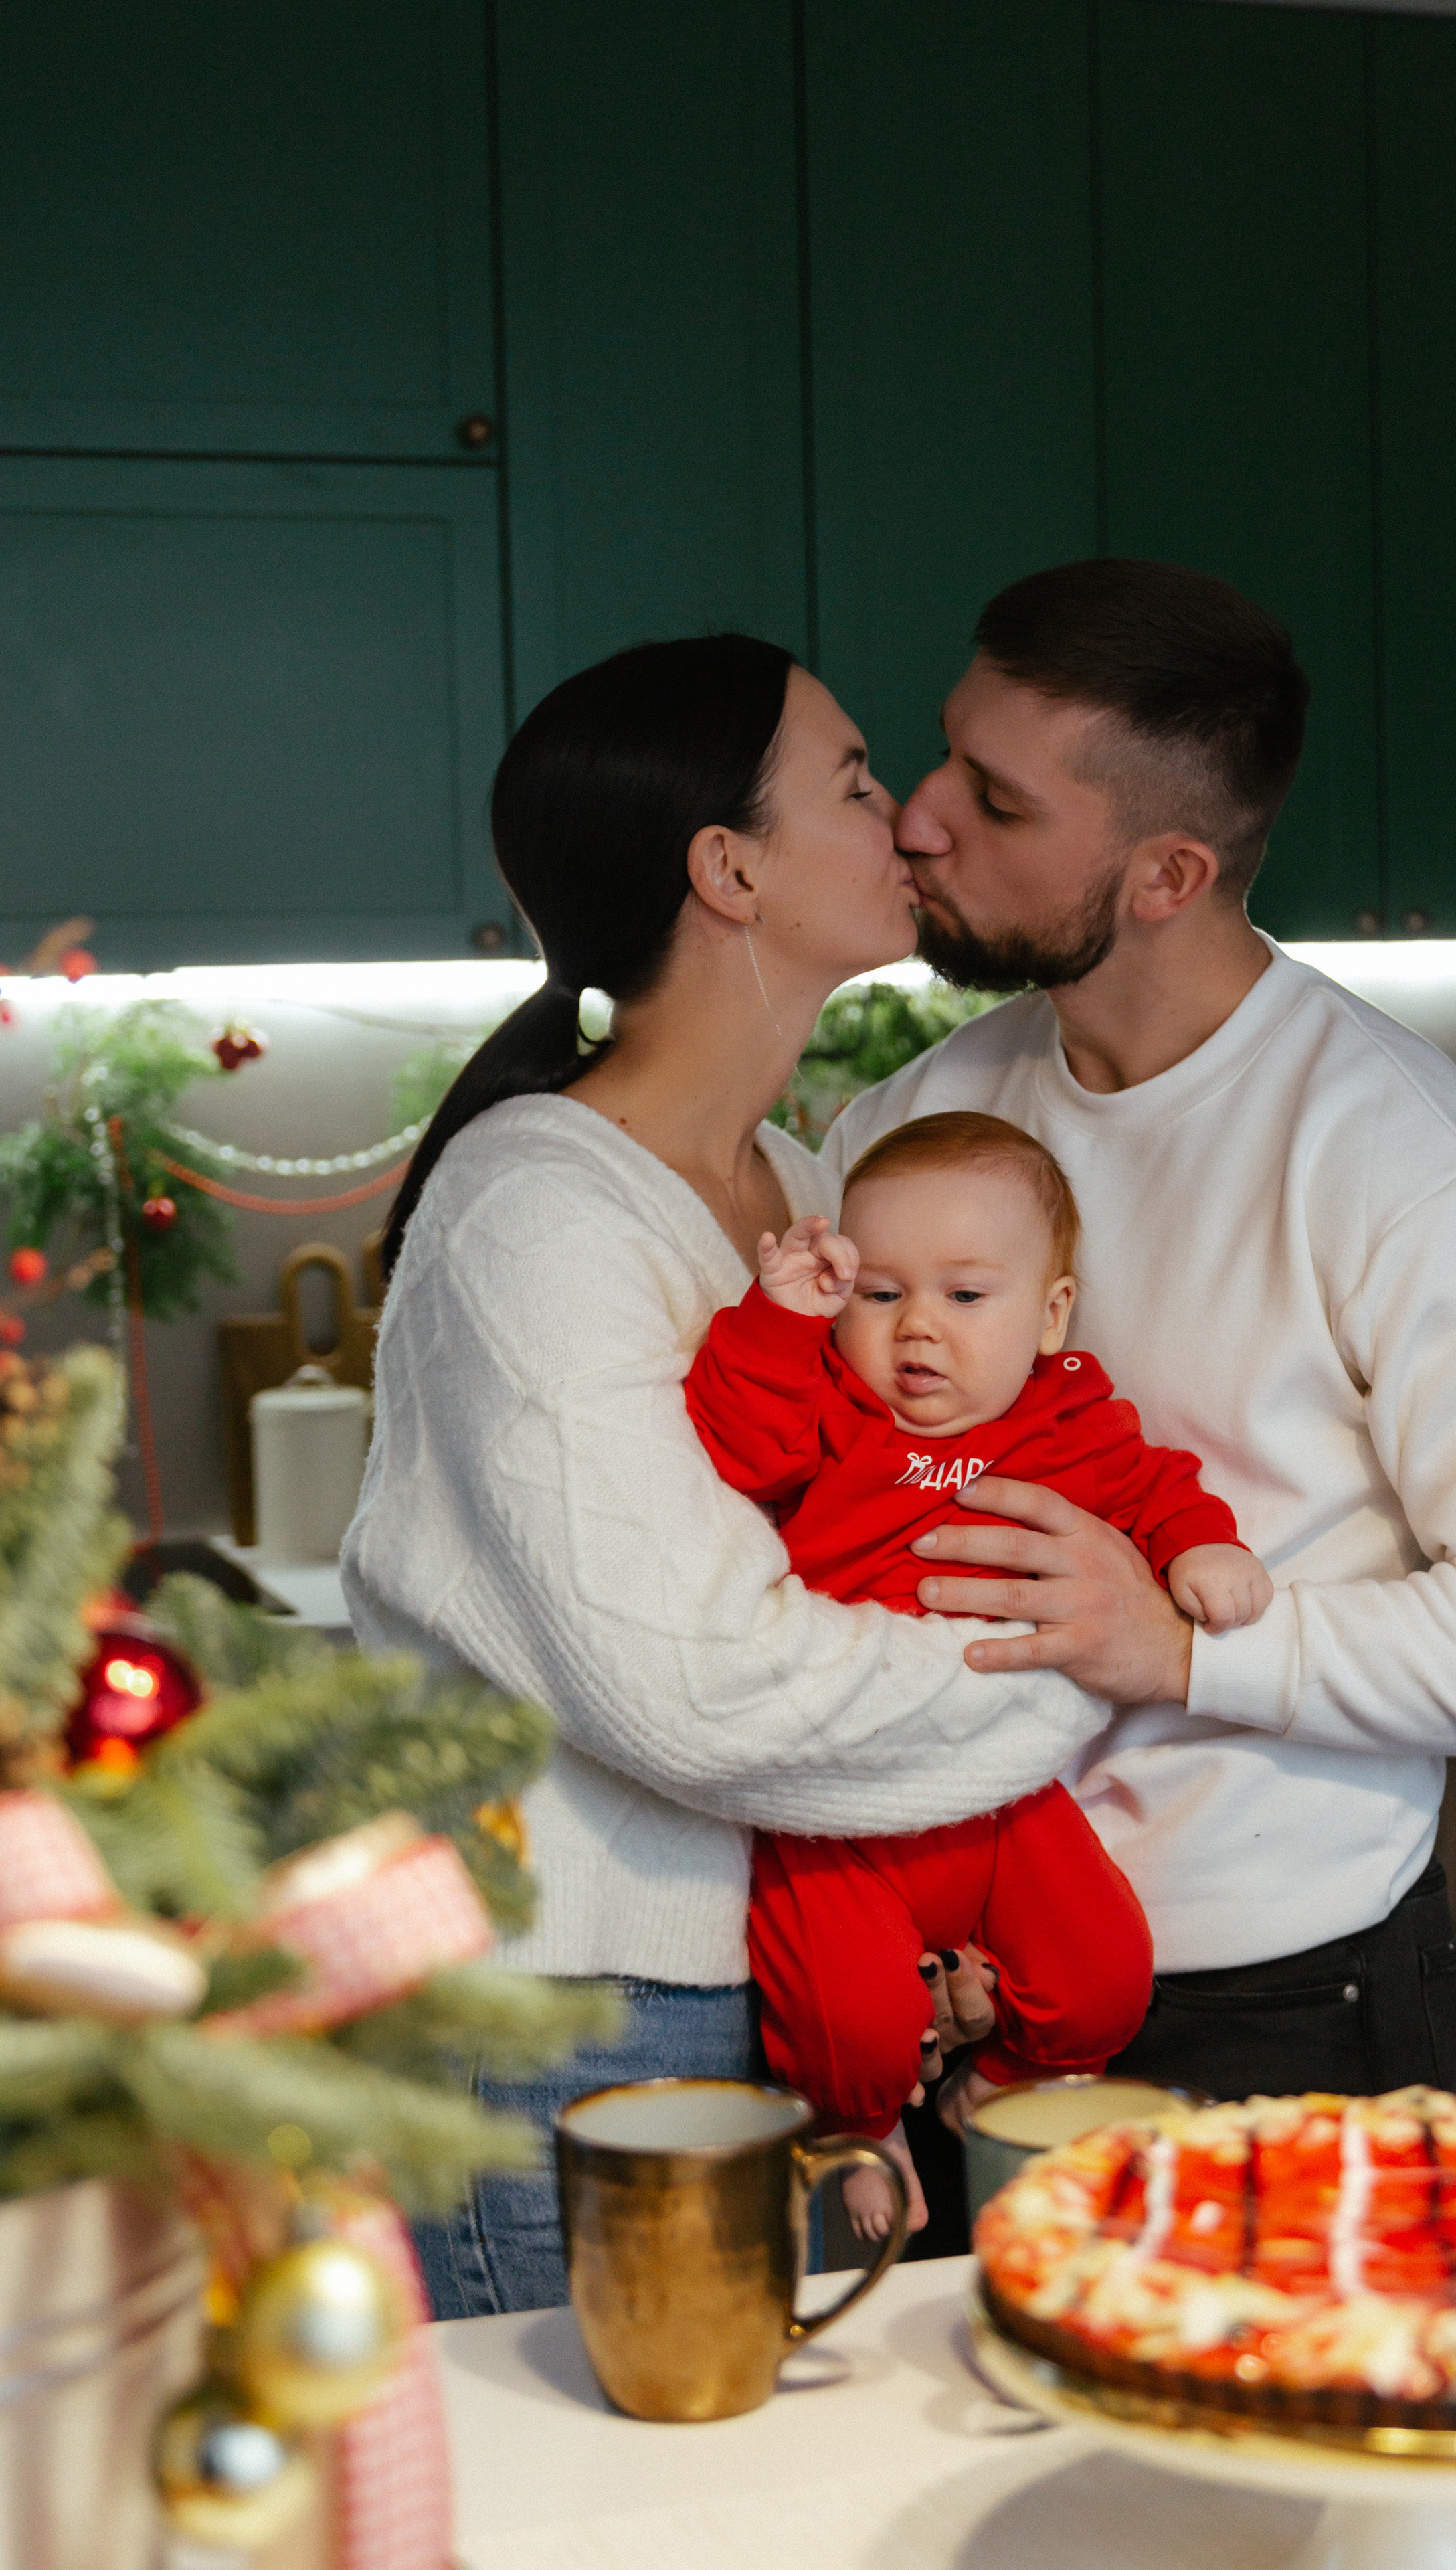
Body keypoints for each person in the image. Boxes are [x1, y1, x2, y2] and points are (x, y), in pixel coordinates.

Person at [824, 556, 1456, 2106]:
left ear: (1164, 875)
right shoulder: (918, 1116)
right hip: (944, 1984)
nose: (919, 816)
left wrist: (1179, 1648)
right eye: (944, 751)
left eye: (998, 803)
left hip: (1262, 2006)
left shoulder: (1406, 1164)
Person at [342, 634, 1125, 2318]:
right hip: (569, 2025)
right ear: (728, 868)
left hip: (758, 1997)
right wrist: (1076, 1672)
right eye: (854, 783)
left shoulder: (790, 1184)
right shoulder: (541, 1212)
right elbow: (697, 1685)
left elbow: (865, 1561)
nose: (910, 820)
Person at [687, 1110, 1265, 2238]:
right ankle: (861, 2129)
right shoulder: (831, 1406)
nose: (917, 1331)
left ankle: (1002, 2086)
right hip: (840, 1810)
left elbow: (1153, 1487)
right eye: (880, 1292)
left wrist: (1200, 1547)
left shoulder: (1070, 1420)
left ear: (1051, 1315)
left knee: (1104, 1969)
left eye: (965, 1297)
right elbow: (735, 1445)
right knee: (846, 2013)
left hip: (1004, 1798)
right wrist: (775, 1324)